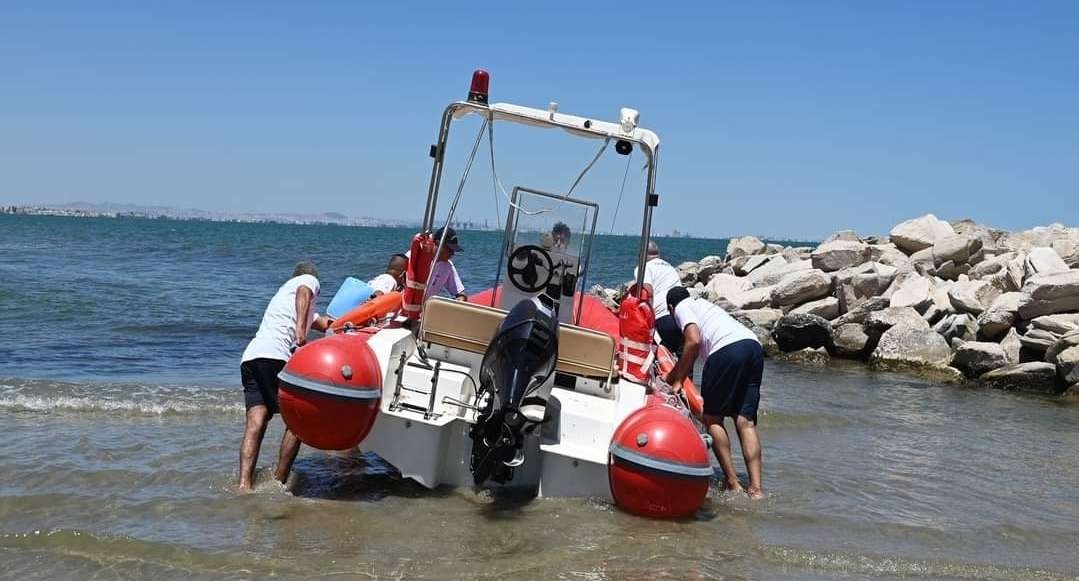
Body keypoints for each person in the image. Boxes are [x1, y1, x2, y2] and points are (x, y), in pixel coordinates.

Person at [663, 286, 766, 500]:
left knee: (712, 419)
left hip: (725, 351)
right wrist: (675, 375)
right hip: (753, 346)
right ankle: (756, 489)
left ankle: (732, 482)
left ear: (671, 308)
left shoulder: (682, 307)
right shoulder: (705, 306)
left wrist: (678, 381)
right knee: (745, 421)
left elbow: (693, 341)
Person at [238, 262, 333, 491]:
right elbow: (304, 291)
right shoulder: (306, 281)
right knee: (298, 421)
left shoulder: (285, 301)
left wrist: (353, 322)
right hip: (276, 357)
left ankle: (244, 484)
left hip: (251, 358)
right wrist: (301, 333)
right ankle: (279, 483)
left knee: (256, 422)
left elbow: (326, 324)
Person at [633, 240, 685, 356]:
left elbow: (648, 291)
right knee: (682, 364)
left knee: (661, 359)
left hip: (663, 319)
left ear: (641, 255)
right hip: (682, 318)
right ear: (658, 254)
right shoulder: (669, 267)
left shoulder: (643, 267)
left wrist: (648, 318)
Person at [426, 226, 467, 301]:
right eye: (449, 249)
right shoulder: (414, 258)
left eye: (453, 250)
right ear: (438, 243)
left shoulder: (447, 266)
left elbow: (460, 293)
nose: (452, 253)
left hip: (429, 308)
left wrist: (461, 298)